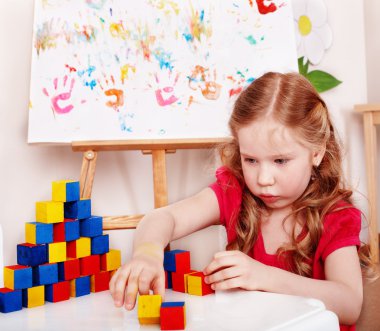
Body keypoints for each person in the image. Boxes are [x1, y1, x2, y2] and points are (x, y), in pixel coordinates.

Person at [109, 72, 373, 331]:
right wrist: (147, 253)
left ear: (317, 152)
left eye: (280, 161)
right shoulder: (234, 192)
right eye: (251, 160)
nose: (264, 178)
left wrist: (263, 276)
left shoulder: (336, 215)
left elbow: (349, 303)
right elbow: (165, 218)